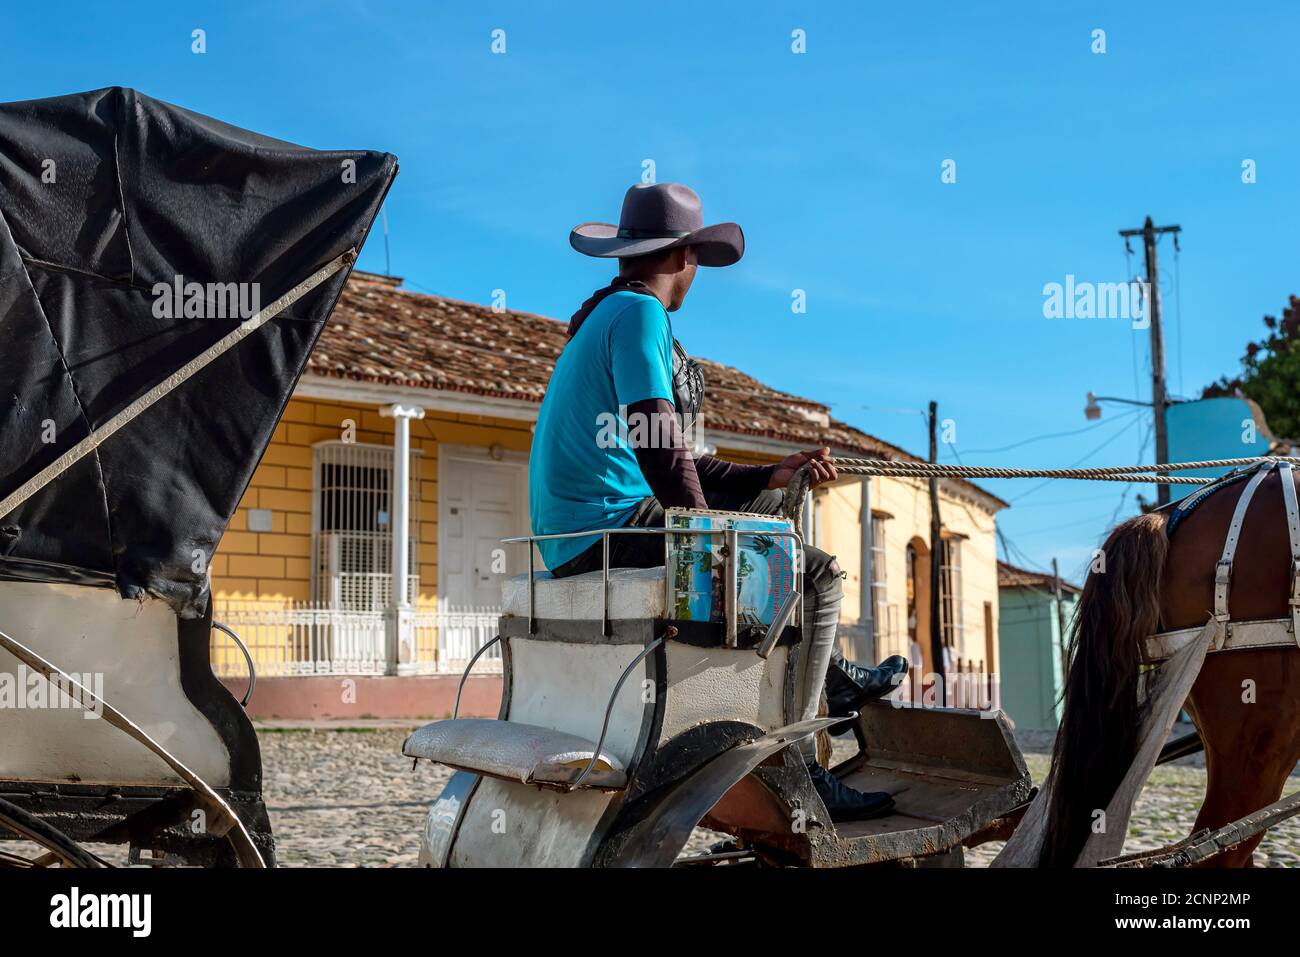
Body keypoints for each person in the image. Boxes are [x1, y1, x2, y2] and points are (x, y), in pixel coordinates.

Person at [528, 182, 907, 820]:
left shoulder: (607, 314)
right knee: (812, 573)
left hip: (581, 535)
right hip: (605, 531)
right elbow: (661, 447)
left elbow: (677, 455)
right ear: (686, 258)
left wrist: (771, 475)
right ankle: (808, 765)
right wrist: (707, 534)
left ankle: (837, 686)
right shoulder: (642, 314)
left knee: (767, 554)